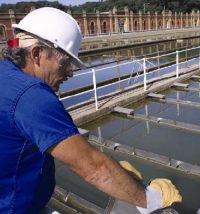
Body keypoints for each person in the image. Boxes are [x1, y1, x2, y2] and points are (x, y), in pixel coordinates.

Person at [0, 7, 181, 214]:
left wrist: (118, 174)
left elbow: (71, 147)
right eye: (66, 62)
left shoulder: (5, 74)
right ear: (37, 53)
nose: (70, 72)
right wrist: (151, 199)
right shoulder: (31, 97)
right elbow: (94, 169)